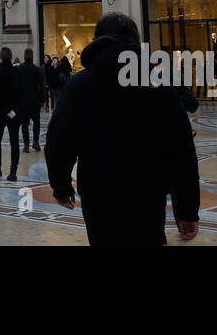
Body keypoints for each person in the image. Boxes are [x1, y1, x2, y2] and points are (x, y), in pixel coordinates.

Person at [44, 13, 200, 246]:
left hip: (99, 192)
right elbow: (182, 148)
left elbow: (59, 140)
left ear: (97, 40)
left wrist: (61, 186)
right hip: (148, 192)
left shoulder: (81, 84)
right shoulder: (156, 81)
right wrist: (187, 209)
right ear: (135, 41)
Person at [0, 47, 23, 180]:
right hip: (13, 112)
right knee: (14, 141)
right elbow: (21, 92)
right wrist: (14, 108)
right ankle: (13, 172)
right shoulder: (17, 72)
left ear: (0, 57)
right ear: (12, 56)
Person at [18, 48, 45, 153]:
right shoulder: (37, 69)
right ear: (32, 56)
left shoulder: (20, 69)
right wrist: (42, 100)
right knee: (36, 122)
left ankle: (26, 144)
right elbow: (41, 86)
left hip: (23, 101)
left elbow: (17, 86)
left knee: (25, 124)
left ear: (24, 56)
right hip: (35, 101)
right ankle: (36, 142)